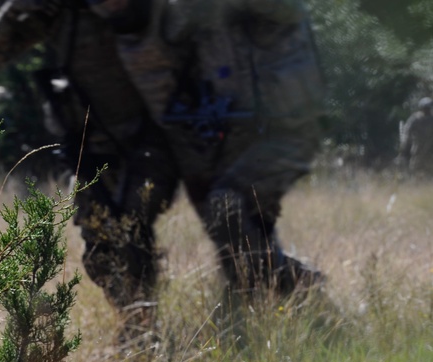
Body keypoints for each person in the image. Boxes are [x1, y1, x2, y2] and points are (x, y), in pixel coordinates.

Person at [86, 0, 326, 308]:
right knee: (228, 223)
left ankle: (245, 313)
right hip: (220, 130)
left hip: (284, 130)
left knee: (229, 209)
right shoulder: (168, 24)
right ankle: (289, 292)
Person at [0, 0, 180, 344]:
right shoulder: (62, 14)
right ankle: (135, 320)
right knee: (100, 248)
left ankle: (144, 327)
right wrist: (16, 8)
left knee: (131, 230)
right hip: (91, 148)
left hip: (151, 144)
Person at [399, 97, 433, 176]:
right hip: (418, 146)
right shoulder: (415, 118)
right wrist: (405, 143)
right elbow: (407, 130)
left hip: (430, 146)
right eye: (425, 108)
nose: (427, 110)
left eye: (428, 108)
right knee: (415, 165)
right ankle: (415, 180)